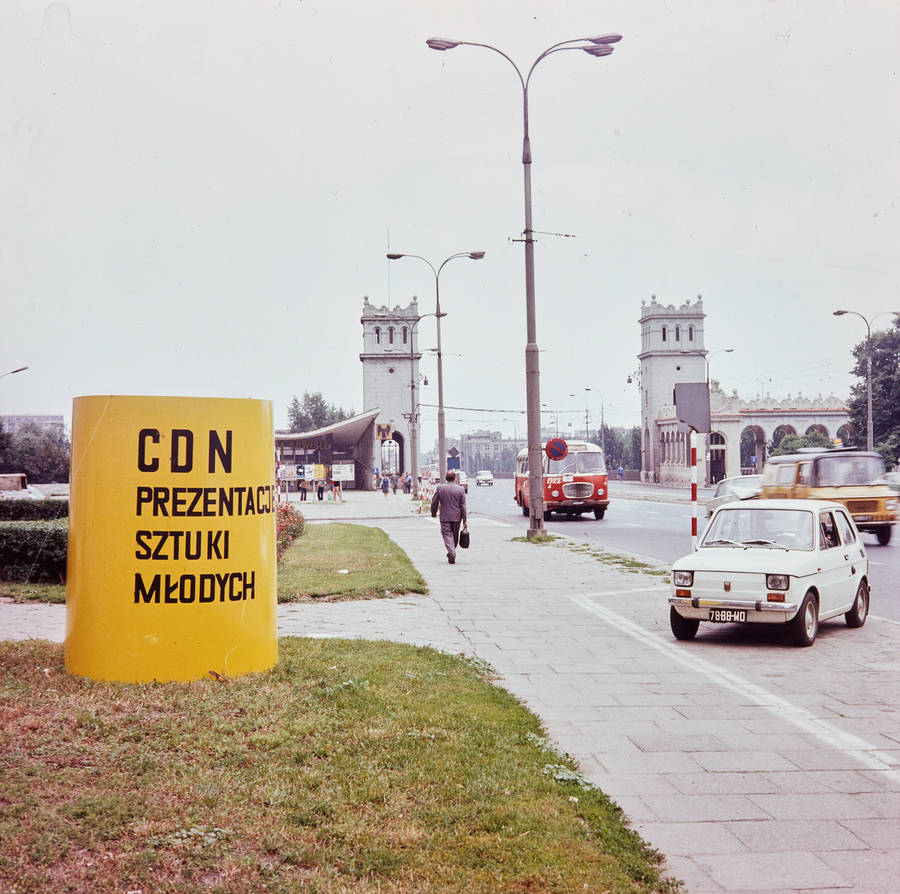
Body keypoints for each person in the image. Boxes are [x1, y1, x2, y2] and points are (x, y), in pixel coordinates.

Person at [430, 470, 468, 564]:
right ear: (455, 478)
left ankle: (451, 552)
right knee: (454, 537)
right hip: (456, 517)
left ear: (446, 478)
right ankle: (452, 552)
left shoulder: (440, 488)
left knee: (447, 535)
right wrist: (465, 520)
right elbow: (463, 506)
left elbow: (434, 502)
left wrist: (433, 513)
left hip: (445, 517)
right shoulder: (460, 489)